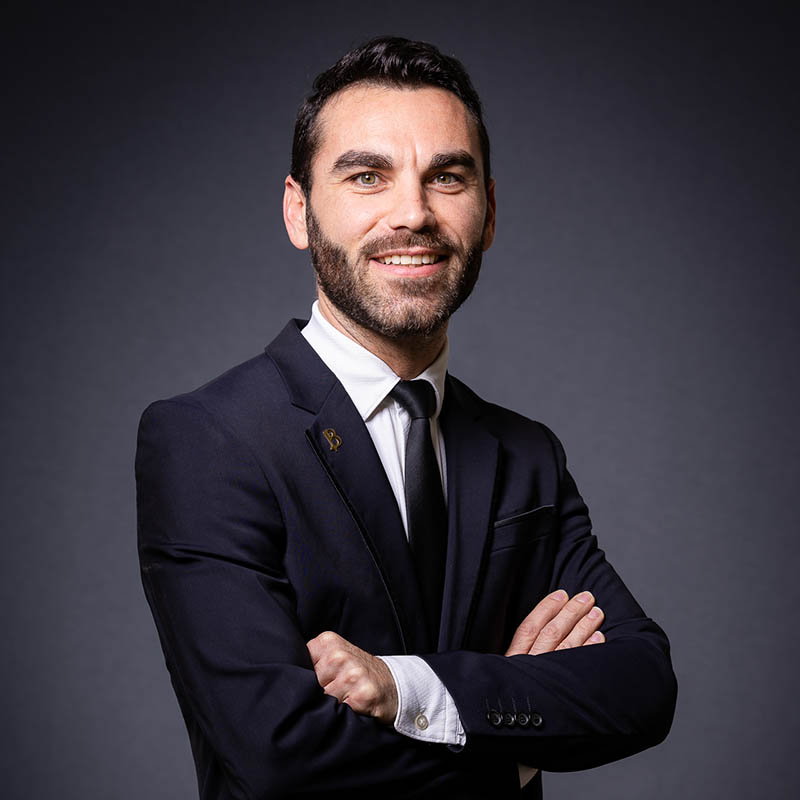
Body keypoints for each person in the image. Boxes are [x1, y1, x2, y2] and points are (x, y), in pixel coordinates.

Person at [135, 36, 676, 800]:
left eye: (447, 177)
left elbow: (643, 686)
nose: (414, 214)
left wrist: (406, 690)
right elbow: (279, 756)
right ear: (299, 210)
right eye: (367, 176)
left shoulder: (526, 455)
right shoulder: (208, 440)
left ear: (489, 212)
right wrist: (512, 747)